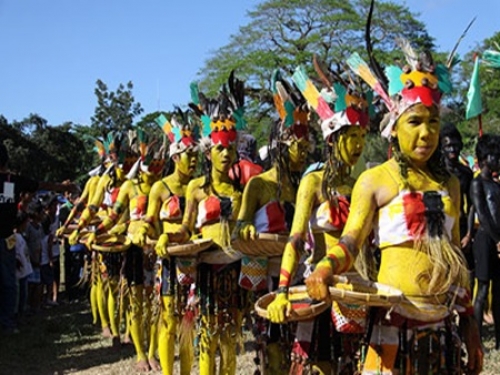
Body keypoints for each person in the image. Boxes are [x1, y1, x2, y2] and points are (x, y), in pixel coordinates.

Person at [304, 12, 483, 373]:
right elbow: (351, 241)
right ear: (394, 126)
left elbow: (457, 261)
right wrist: (323, 269)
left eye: (433, 122)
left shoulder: (450, 184)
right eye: (415, 122)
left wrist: (472, 328)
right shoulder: (375, 180)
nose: (426, 134)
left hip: (443, 324)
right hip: (392, 321)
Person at [266, 65, 369, 374]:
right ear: (332, 138)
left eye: (363, 135)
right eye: (352, 136)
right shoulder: (313, 183)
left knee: (351, 366)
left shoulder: (362, 185)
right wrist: (283, 291)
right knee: (321, 365)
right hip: (318, 287)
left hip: (354, 287)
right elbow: (296, 239)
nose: (359, 145)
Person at [234, 68, 311, 374]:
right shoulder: (258, 185)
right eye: (299, 147)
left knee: (300, 344)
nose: (304, 154)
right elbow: (240, 228)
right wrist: (248, 229)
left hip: (299, 271)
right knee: (274, 341)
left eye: (307, 148)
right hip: (268, 274)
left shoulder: (303, 184)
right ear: (281, 144)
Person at [181, 71, 246, 375]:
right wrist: (172, 239)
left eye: (230, 148)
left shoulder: (242, 191)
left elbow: (247, 231)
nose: (225, 154)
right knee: (208, 337)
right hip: (206, 269)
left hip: (234, 270)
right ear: (208, 152)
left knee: (230, 338)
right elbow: (185, 227)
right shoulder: (196, 188)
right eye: (219, 148)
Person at [88, 128, 163, 371]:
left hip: (158, 253)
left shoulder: (163, 187)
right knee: (137, 304)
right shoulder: (129, 188)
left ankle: (153, 351)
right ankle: (139, 351)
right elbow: (111, 215)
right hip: (132, 251)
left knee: (156, 306)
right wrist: (94, 231)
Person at [134, 109, 199, 375]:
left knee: (189, 323)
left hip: (196, 259)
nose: (194, 160)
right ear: (175, 157)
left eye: (196, 155)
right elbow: (149, 220)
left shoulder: (199, 185)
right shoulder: (161, 187)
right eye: (189, 155)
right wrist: (140, 229)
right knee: (168, 322)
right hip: (169, 262)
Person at [0, 142, 73, 332]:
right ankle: (8, 322)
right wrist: (62, 186)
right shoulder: (12, 180)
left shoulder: (12, 181)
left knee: (9, 281)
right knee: (9, 282)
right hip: (7, 238)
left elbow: (38, 185)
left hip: (8, 238)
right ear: (6, 161)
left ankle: (8, 320)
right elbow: (41, 184)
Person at [470, 134, 500, 350]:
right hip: (484, 240)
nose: (497, 159)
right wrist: (497, 240)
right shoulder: (477, 183)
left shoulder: (497, 185)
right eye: (494, 156)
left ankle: (499, 338)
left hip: (498, 241)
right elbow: (482, 213)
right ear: (483, 158)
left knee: (498, 291)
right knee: (482, 289)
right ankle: (477, 338)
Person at [440, 123, 474, 280]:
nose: (452, 149)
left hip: (461, 227)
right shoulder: (437, 173)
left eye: (455, 145)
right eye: (448, 146)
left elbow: (472, 205)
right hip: (441, 228)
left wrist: (468, 233)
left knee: (466, 273)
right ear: (442, 148)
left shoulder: (466, 173)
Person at [14, 210, 33, 320]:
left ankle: (22, 314)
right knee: (18, 296)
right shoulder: (13, 237)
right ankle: (16, 316)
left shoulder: (21, 236)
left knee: (23, 295)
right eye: (26, 222)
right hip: (18, 272)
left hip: (24, 271)